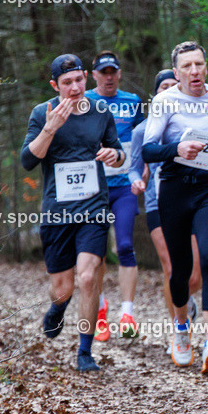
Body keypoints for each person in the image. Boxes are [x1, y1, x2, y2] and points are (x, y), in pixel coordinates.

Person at [21, 53, 125, 372]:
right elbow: (28, 160)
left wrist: (115, 156)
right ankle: (57, 307)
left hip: (93, 208)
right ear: (55, 85)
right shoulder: (43, 113)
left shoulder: (101, 111)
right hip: (57, 213)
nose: (76, 87)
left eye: (80, 79)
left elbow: (118, 153)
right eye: (67, 83)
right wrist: (50, 128)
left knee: (89, 276)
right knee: (64, 287)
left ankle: (84, 351)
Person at [143, 42, 208, 373]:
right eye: (187, 67)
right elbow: (149, 151)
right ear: (176, 72)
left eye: (199, 64)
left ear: (206, 66)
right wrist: (177, 148)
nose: (194, 71)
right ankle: (181, 328)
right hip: (175, 189)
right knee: (180, 270)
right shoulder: (164, 101)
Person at [128, 69, 203, 364]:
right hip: (158, 202)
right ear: (157, 95)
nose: (171, 91)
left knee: (194, 275)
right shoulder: (142, 130)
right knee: (172, 267)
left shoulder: (193, 123)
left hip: (191, 198)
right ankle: (179, 331)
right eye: (165, 87)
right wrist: (137, 178)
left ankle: (185, 300)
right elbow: (134, 165)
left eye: (175, 86)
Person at [85, 51, 145, 341]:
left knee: (124, 245)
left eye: (113, 72)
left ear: (119, 74)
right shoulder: (84, 101)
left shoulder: (132, 102)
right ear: (93, 75)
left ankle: (127, 312)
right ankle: (99, 311)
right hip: (93, 187)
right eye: (103, 72)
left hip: (123, 185)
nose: (108, 77)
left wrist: (142, 172)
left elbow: (146, 138)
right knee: (94, 254)